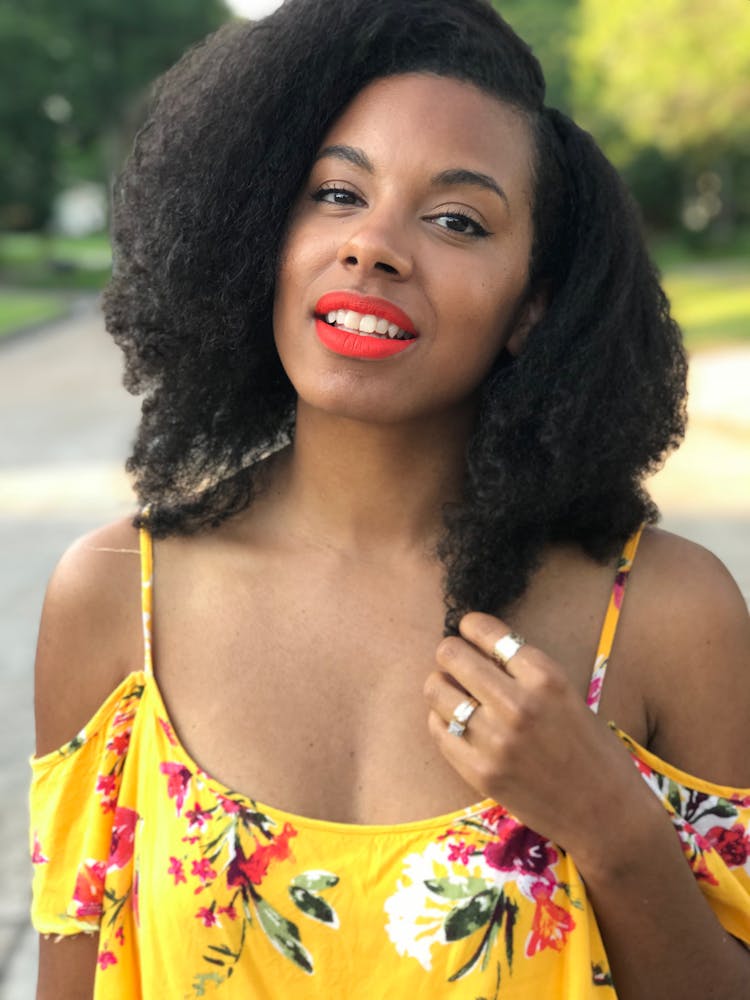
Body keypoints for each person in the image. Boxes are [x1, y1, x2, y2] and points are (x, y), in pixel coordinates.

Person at [29, 1, 750, 997]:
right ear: (259, 232)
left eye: (456, 219)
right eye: (334, 193)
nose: (374, 245)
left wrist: (611, 828)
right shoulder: (112, 600)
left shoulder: (672, 618)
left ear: (531, 308)